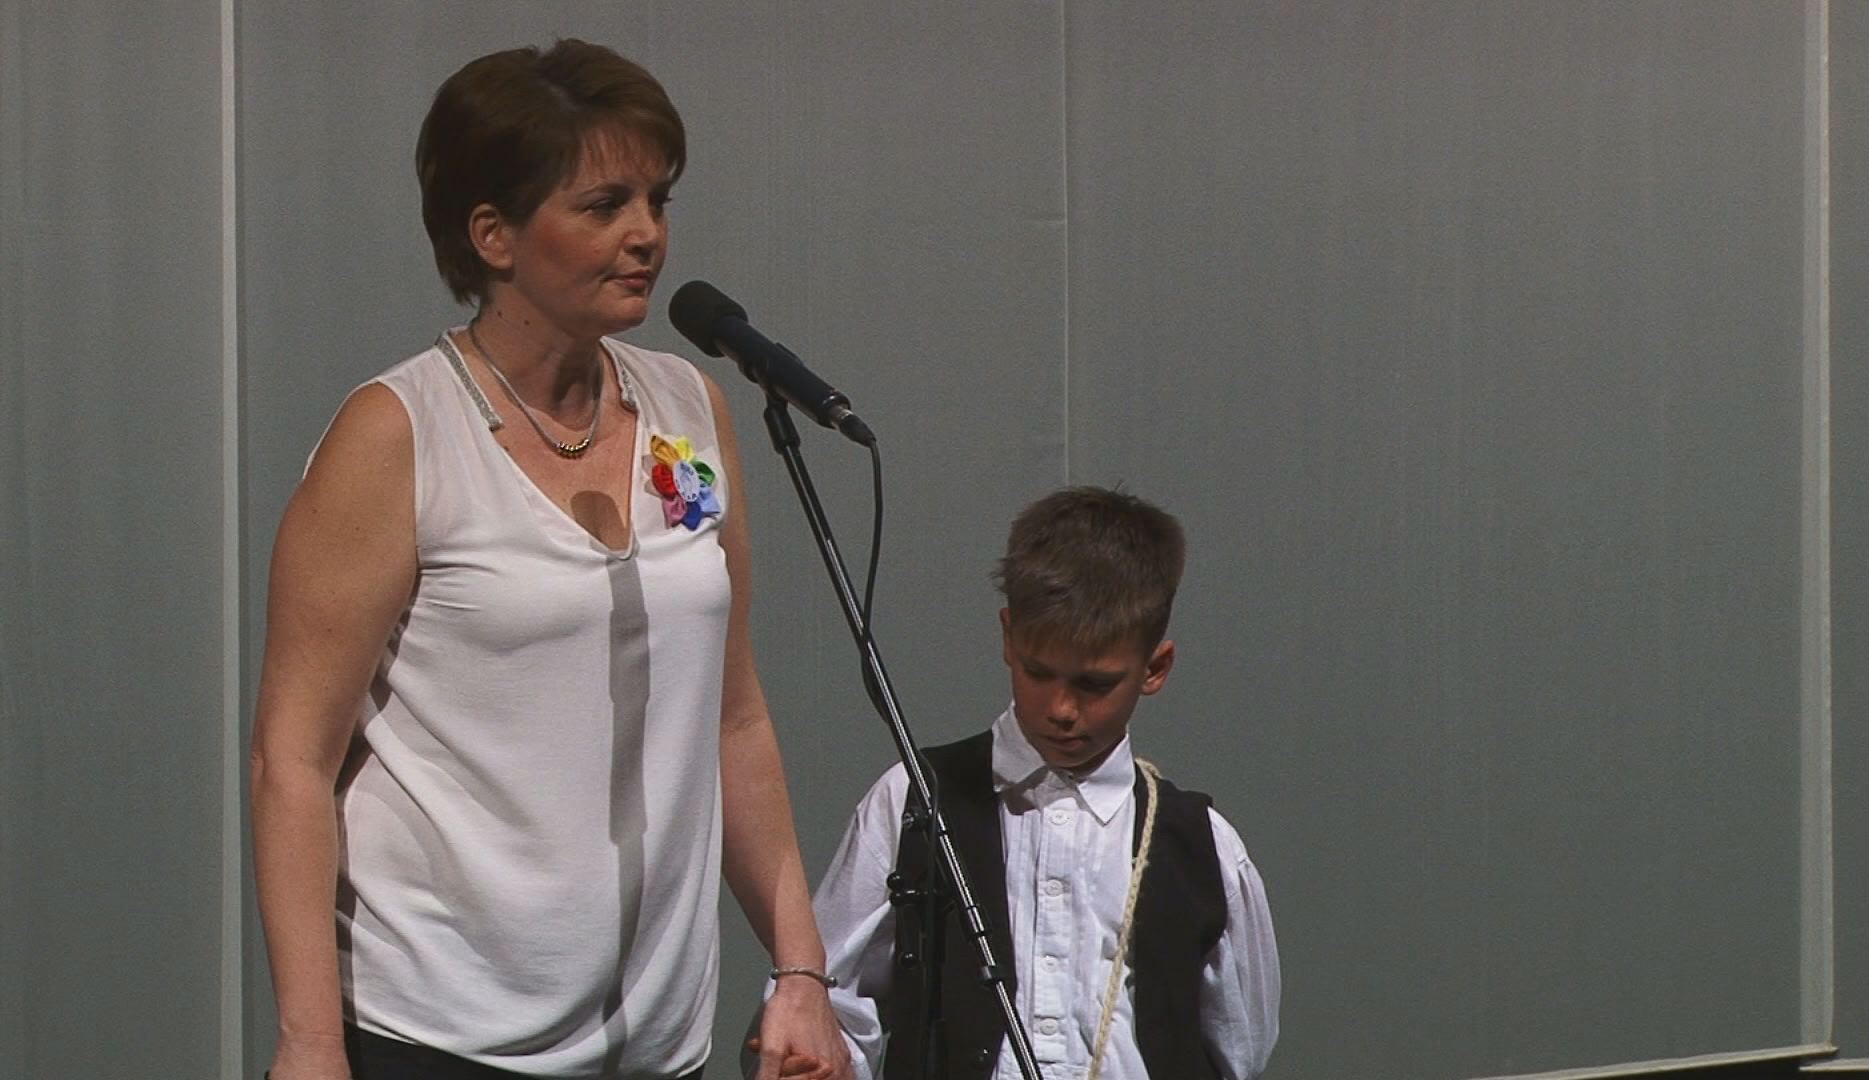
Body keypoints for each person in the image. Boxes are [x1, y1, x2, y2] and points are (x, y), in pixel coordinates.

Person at [250, 40, 849, 1080]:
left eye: (657, 200)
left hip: (656, 1042)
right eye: (605, 205)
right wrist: (309, 1044)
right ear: (493, 234)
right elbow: (291, 763)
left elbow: (734, 715)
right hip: (437, 1033)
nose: (647, 233)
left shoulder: (689, 407)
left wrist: (800, 971)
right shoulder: (398, 435)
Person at [800, 487, 1281, 1079]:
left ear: (1154, 668)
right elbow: (828, 1000)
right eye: (1038, 672)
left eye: (1094, 684)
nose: (1061, 709)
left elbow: (1240, 1046)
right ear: (1008, 637)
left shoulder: (1204, 845)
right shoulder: (913, 800)